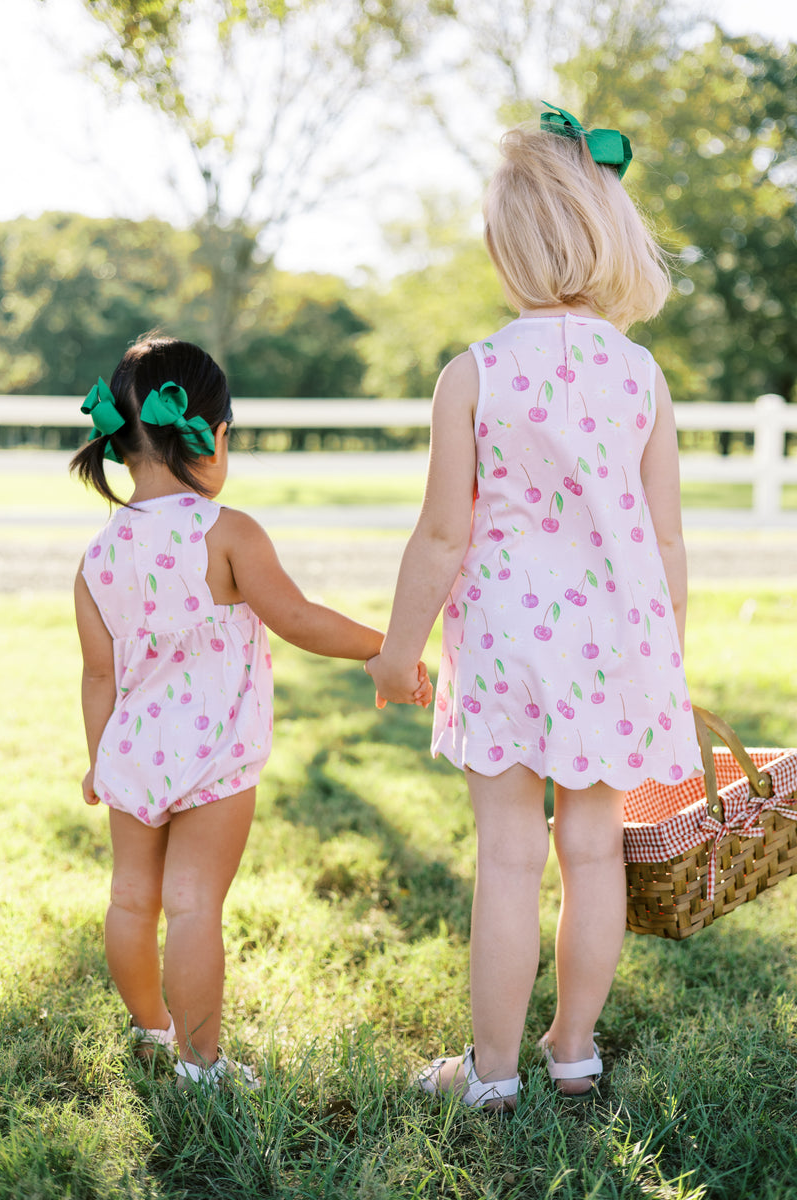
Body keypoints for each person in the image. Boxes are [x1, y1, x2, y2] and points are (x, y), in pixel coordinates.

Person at [365, 103, 702, 1107]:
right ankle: (572, 1052)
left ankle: (492, 1074)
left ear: (503, 249)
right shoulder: (639, 375)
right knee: (591, 852)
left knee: (508, 860)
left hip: (511, 644)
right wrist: (664, 656)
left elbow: (440, 535)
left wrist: (396, 650)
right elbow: (666, 535)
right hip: (615, 650)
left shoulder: (472, 374)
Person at [72, 333, 429, 1092]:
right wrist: (386, 648)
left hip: (131, 751)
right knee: (194, 903)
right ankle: (202, 1066)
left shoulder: (98, 557)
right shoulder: (226, 532)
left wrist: (99, 760)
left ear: (121, 443)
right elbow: (296, 618)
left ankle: (150, 1030)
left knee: (131, 899)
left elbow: (98, 675)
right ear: (214, 434)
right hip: (214, 751)